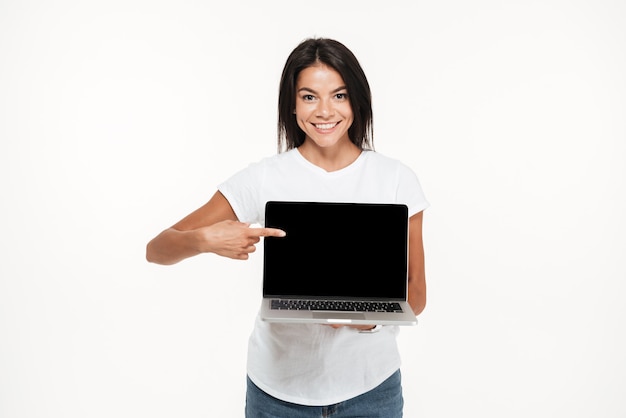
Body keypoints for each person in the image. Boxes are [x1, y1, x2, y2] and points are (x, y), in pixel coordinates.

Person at [146, 37, 429, 417]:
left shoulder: (396, 179)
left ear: (357, 101)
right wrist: (204, 239)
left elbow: (416, 293)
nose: (325, 111)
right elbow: (157, 249)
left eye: (339, 95)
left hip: (371, 390)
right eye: (309, 96)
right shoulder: (263, 178)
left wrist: (364, 322)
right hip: (277, 395)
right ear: (292, 105)